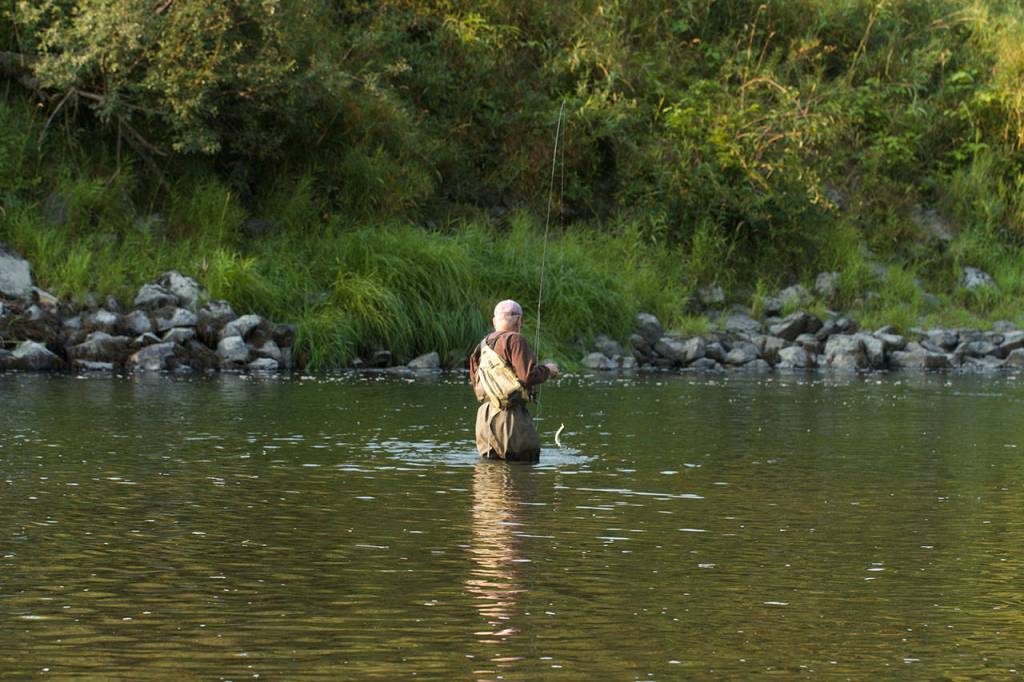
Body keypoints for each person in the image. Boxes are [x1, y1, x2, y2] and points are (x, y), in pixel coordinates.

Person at [469, 299, 559, 461]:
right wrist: (548, 370)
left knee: (488, 475)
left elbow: (476, 385)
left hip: (484, 418)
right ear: (519, 321)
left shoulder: (481, 346)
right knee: (522, 469)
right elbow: (527, 376)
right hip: (510, 418)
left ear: (494, 321)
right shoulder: (515, 340)